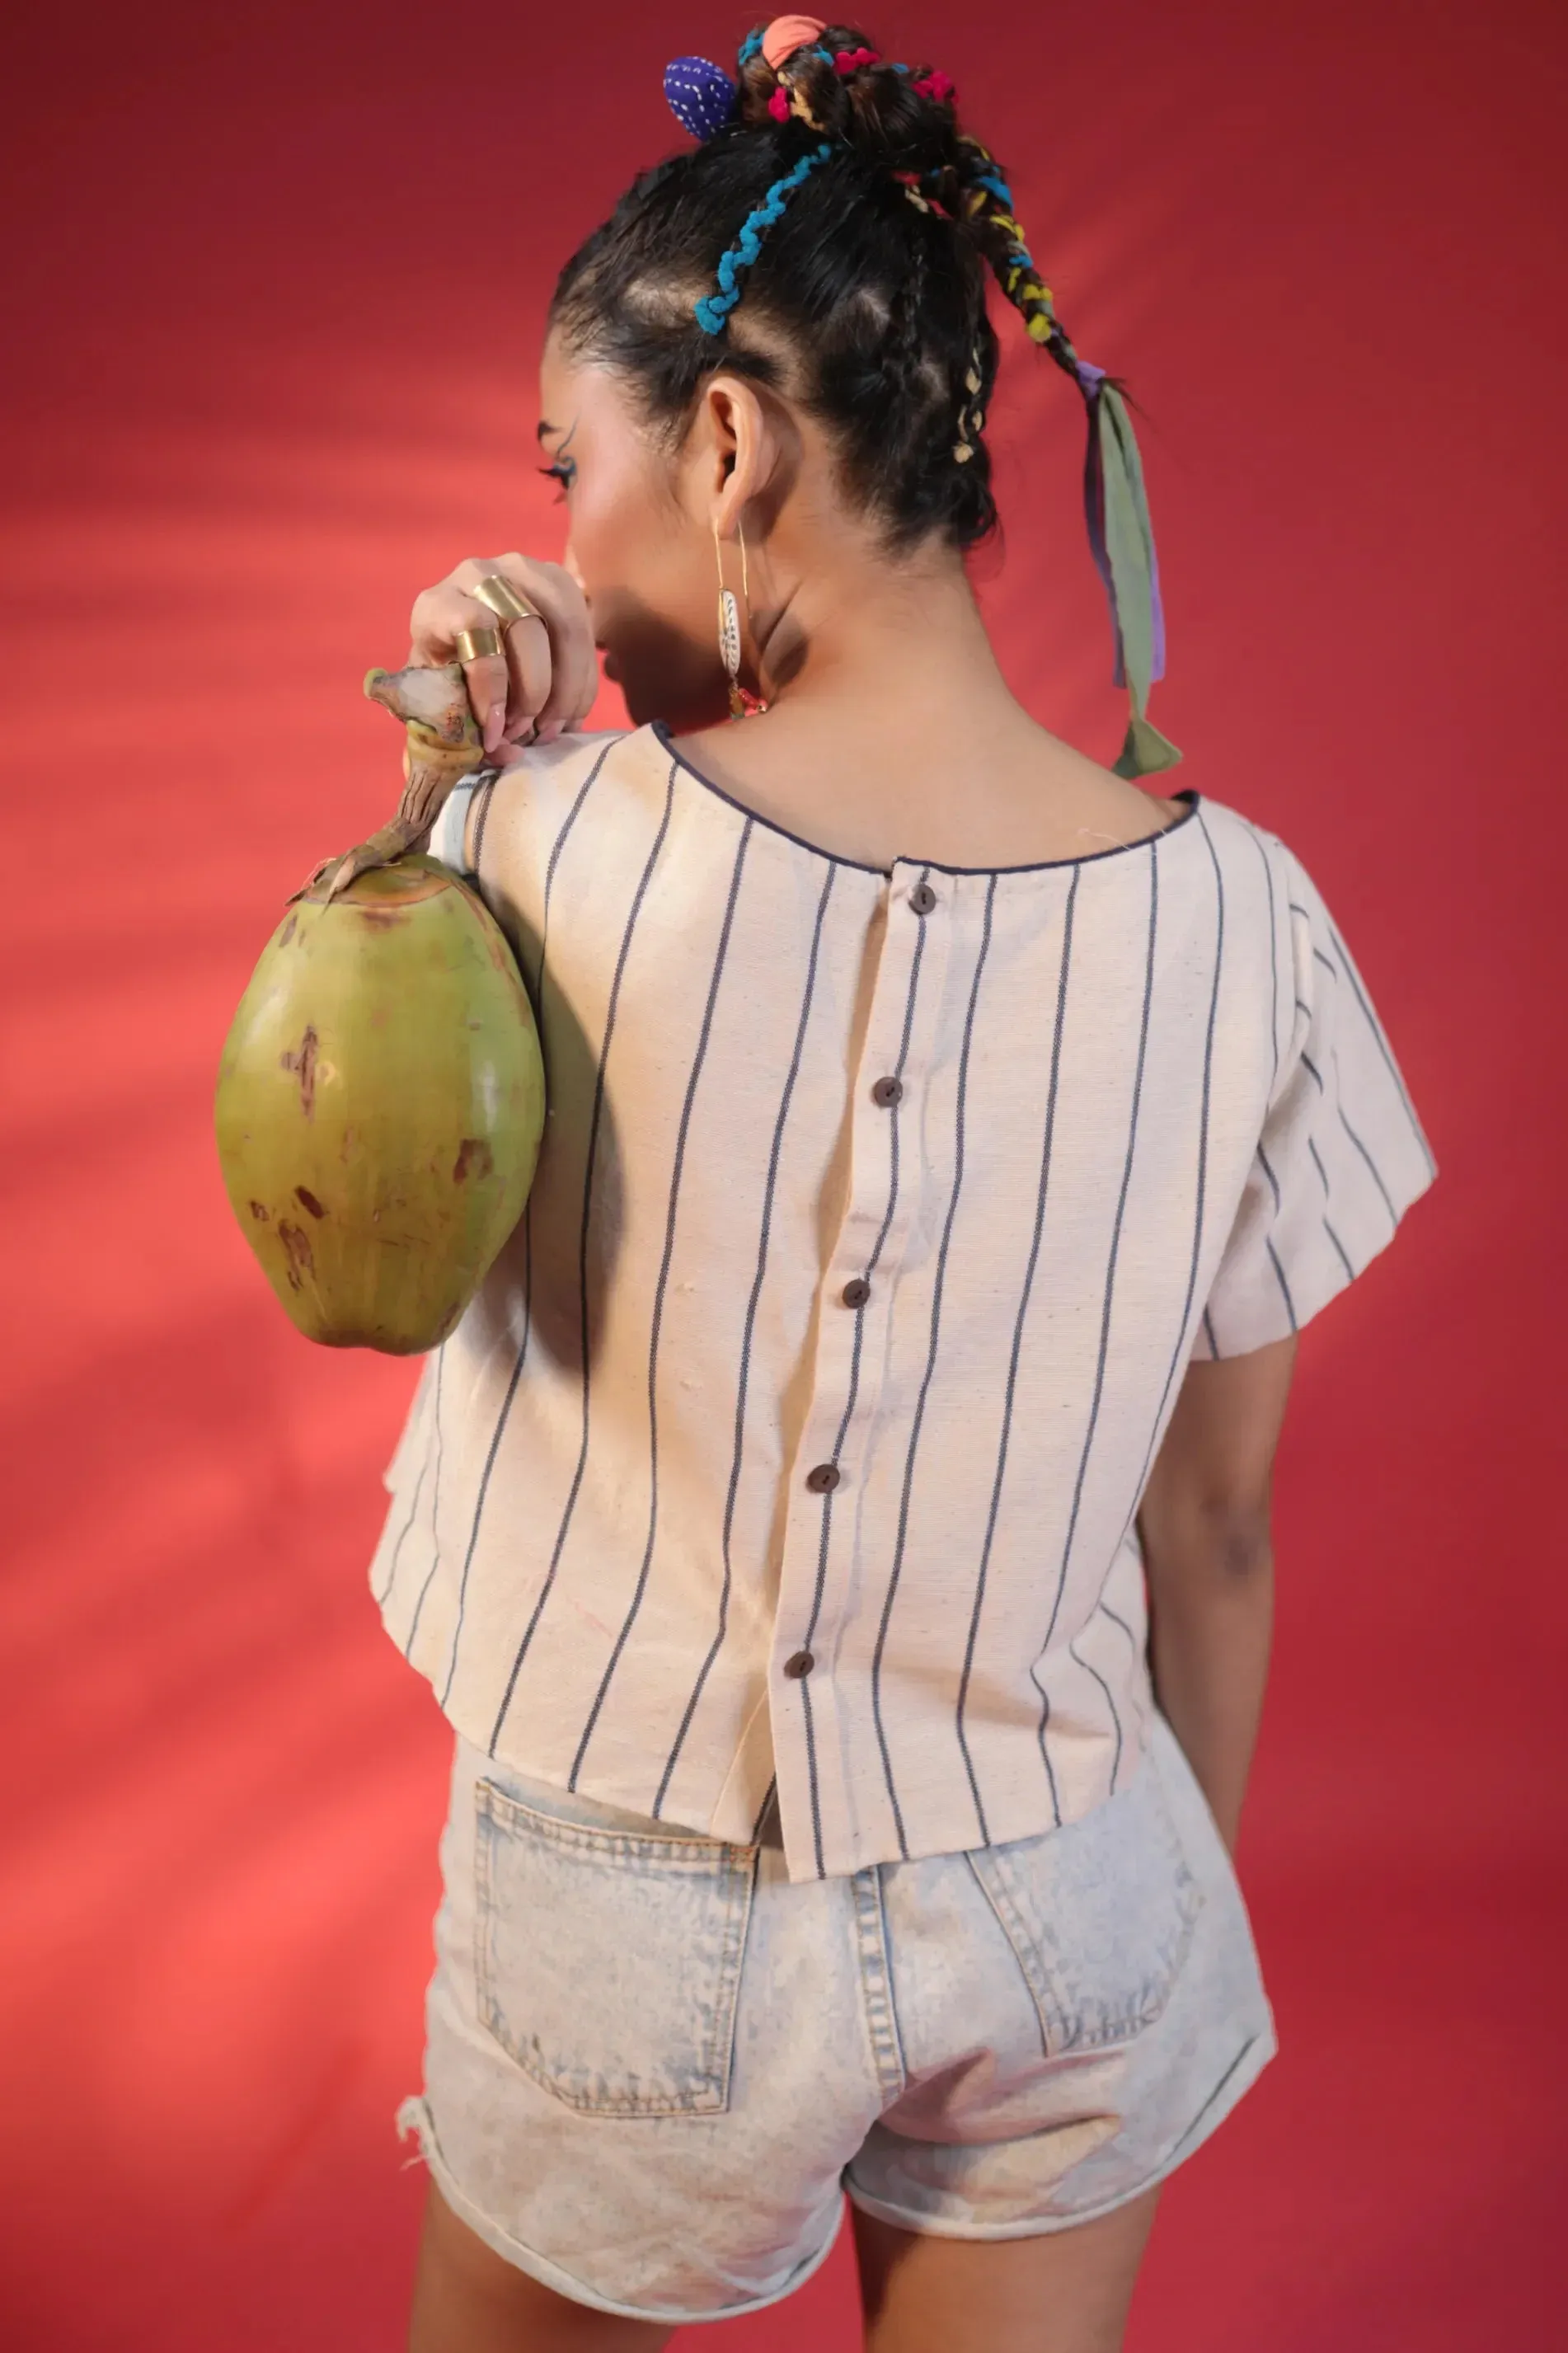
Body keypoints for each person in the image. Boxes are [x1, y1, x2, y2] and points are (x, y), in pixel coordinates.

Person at [368, 21, 1440, 2351]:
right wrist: (1135, 1929)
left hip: (626, 1890)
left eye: (572, 463)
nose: (560, 528)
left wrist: (453, 748)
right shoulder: (1249, 920)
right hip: (1074, 1887)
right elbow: (1218, 1531)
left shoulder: (529, 851)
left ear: (727, 442)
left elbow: (336, 1224)